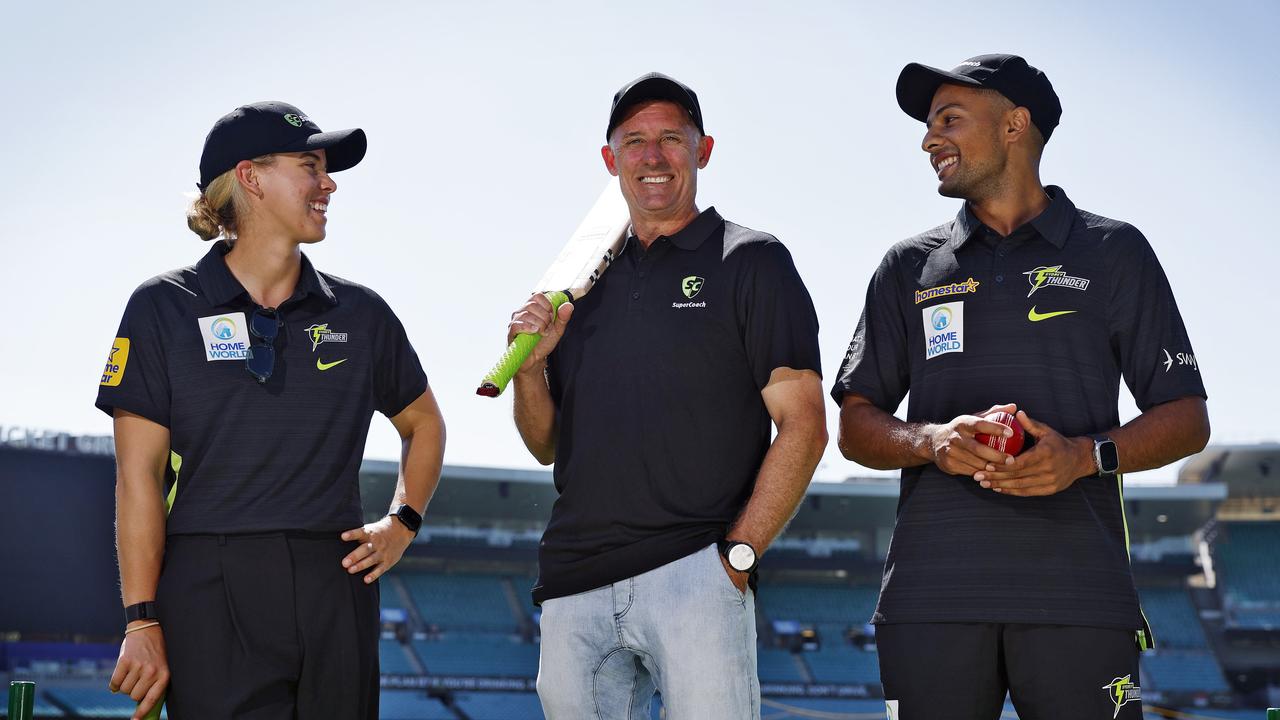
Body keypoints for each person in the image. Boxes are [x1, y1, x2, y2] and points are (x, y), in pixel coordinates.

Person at [831, 55, 1210, 719]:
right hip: (931, 602)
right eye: (927, 125)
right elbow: (857, 424)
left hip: (1082, 601)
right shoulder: (907, 266)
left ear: (1015, 125)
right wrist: (931, 440)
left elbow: (1186, 417)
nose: (928, 139)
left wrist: (1082, 456)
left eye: (948, 119)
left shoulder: (1114, 252)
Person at [96, 101, 445, 720]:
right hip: (210, 585)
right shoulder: (162, 308)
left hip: (335, 576)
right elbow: (137, 479)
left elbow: (424, 424)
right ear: (250, 178)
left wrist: (403, 522)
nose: (328, 183)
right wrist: (141, 619)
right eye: (310, 166)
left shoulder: (361, 314)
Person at [508, 72, 827, 719]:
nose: (652, 158)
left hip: (695, 574)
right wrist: (529, 370)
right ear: (610, 160)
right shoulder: (576, 284)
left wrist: (735, 560)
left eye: (670, 140)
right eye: (634, 142)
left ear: (703, 149)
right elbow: (545, 443)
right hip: (575, 581)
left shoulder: (752, 260)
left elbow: (805, 425)